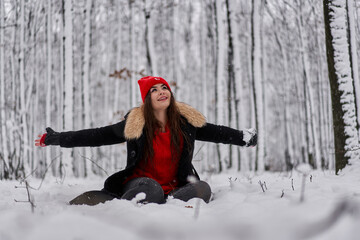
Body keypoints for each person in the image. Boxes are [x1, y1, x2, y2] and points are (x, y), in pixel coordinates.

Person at [35, 76, 257, 206]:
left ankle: (167, 209)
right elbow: (97, 135)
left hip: (175, 189)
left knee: (202, 188)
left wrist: (244, 138)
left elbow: (218, 133)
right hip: (141, 183)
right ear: (147, 99)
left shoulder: (185, 123)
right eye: (154, 90)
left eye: (164, 88)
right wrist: (57, 138)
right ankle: (122, 206)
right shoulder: (135, 125)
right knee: (150, 188)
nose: (162, 92)